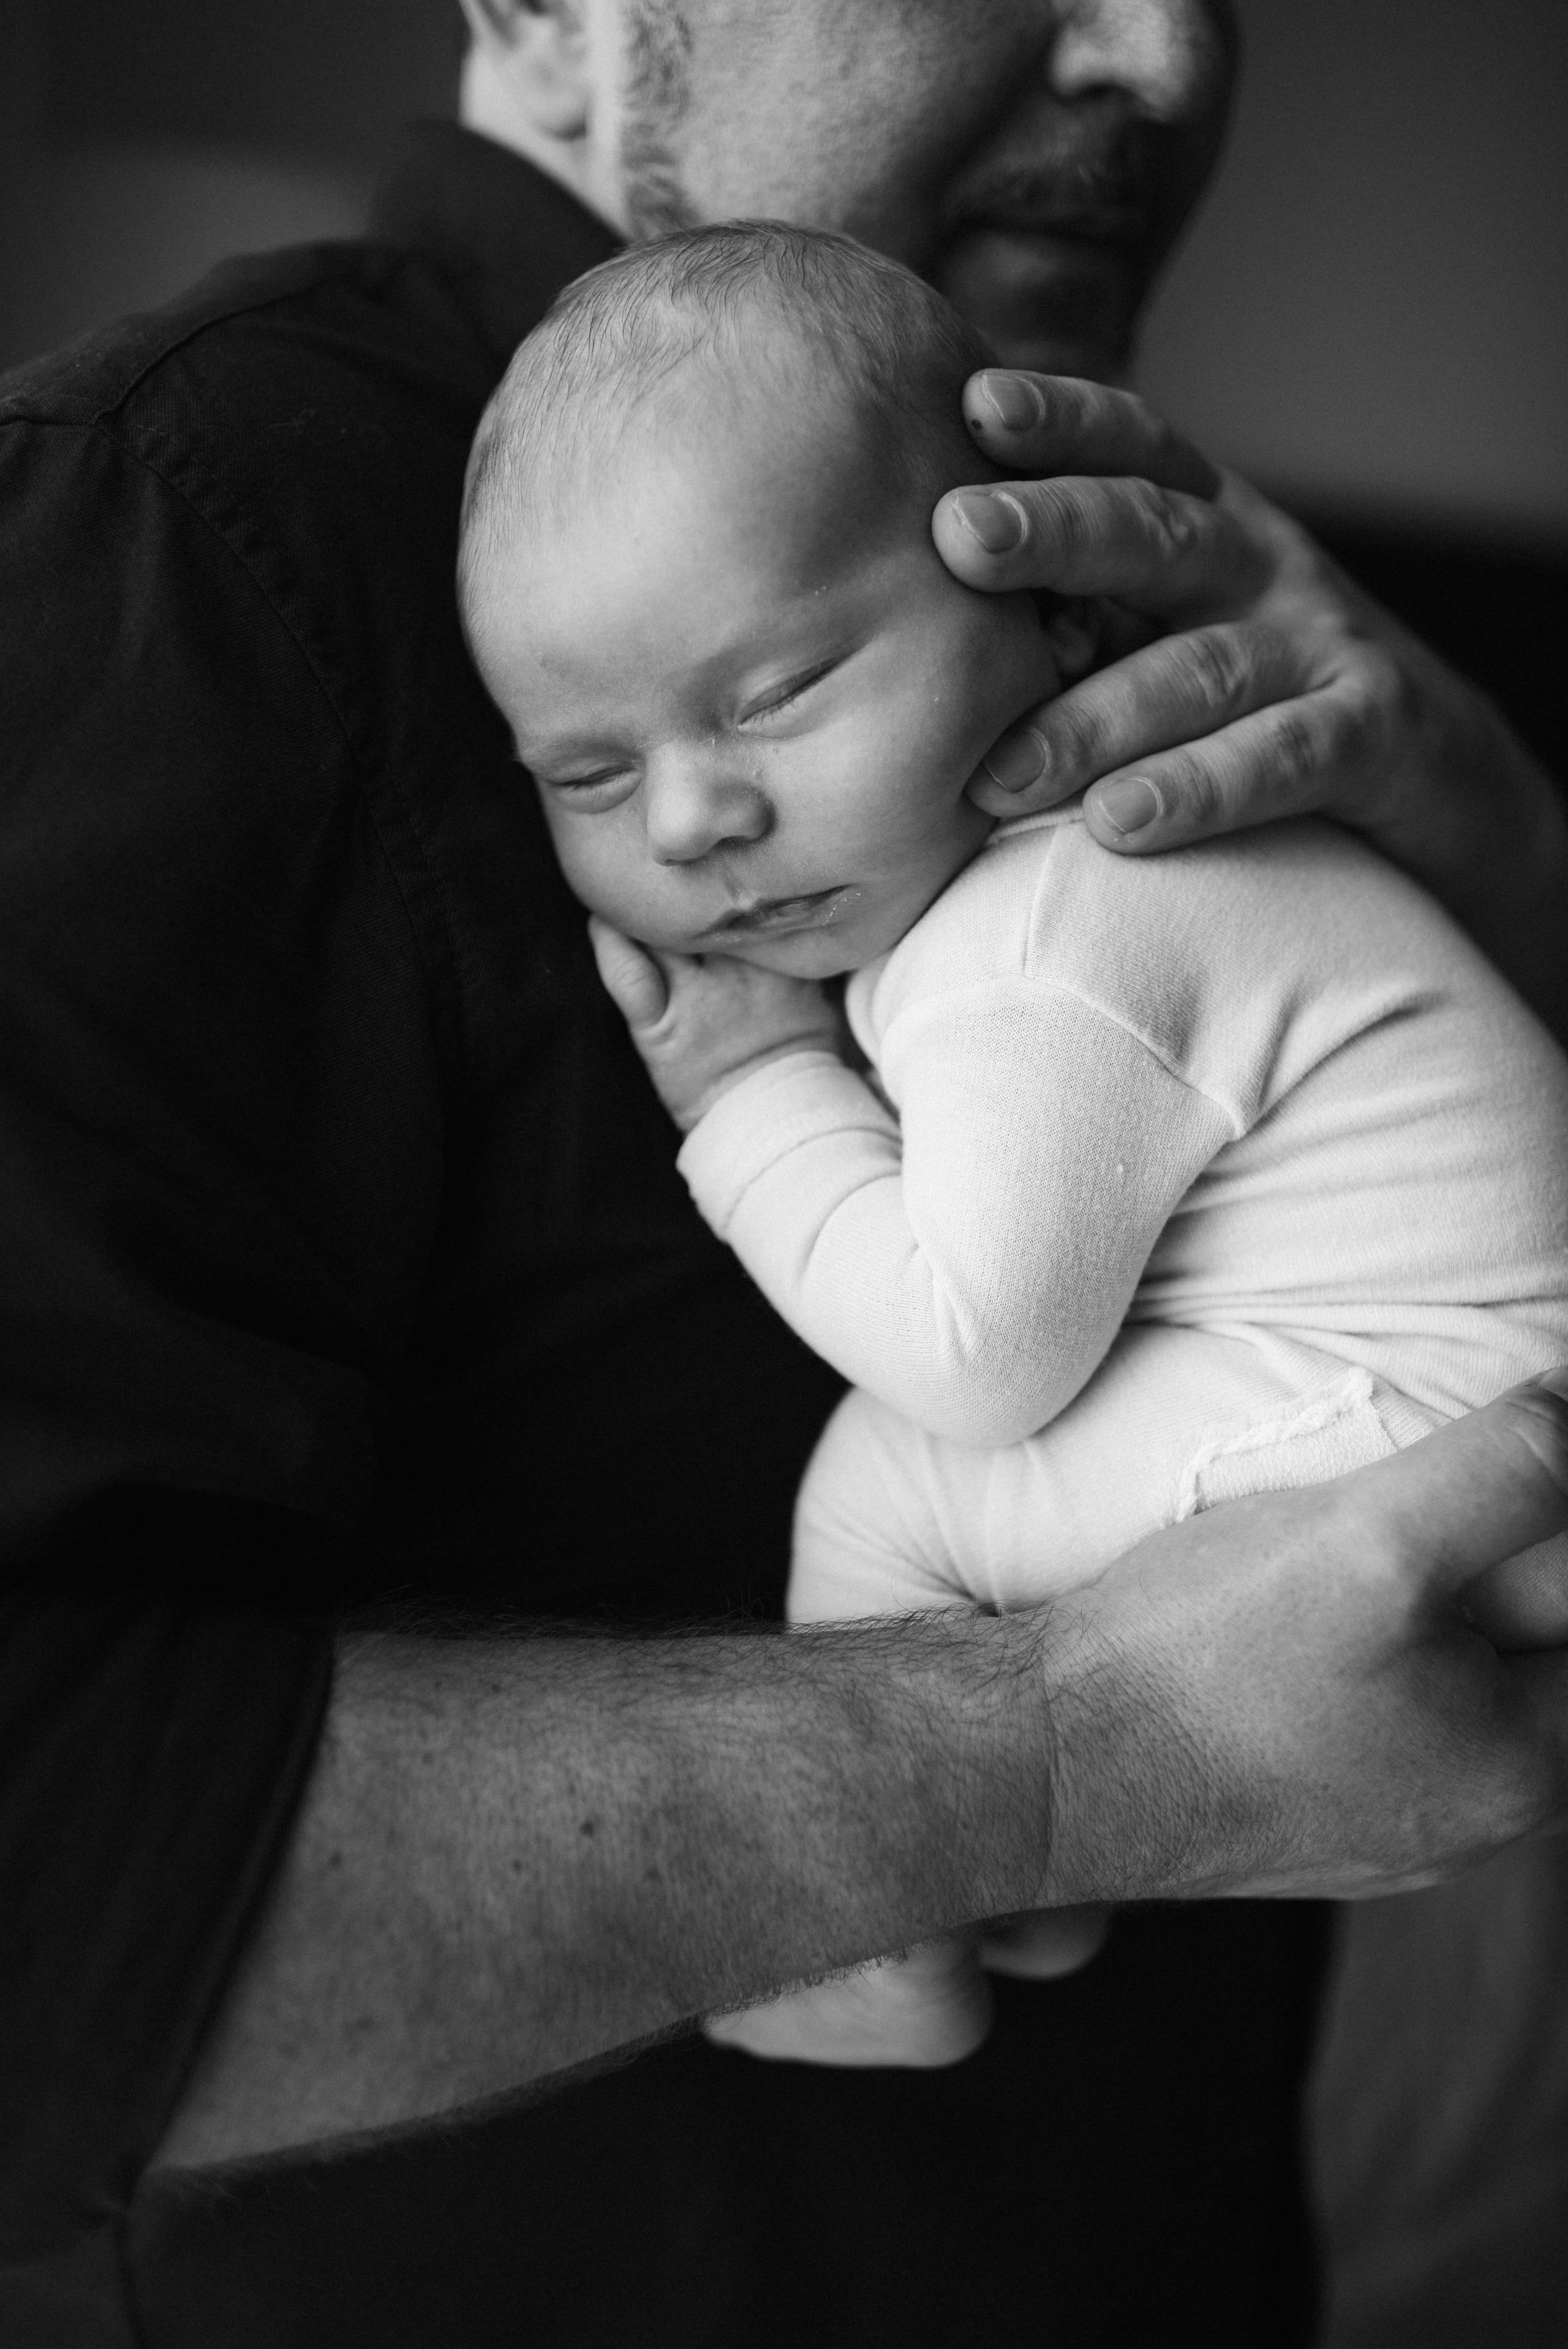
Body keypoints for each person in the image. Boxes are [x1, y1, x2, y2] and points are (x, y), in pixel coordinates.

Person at [1, 2, 1564, 2342]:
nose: (1156, 50)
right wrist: (1062, 1763)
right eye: (588, 769)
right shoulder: (177, 528)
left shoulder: (1195, 634)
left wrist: (1525, 887)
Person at [458, 216, 1568, 2065]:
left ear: (1058, 617)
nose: (690, 816)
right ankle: (1000, 1897)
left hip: (1457, 1437)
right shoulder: (1033, 907)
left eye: (774, 694)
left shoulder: (1046, 934)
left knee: (897, 1476)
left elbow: (977, 1353)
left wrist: (752, 1098)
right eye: (590, 772)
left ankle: (860, 1922)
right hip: (1458, 1393)